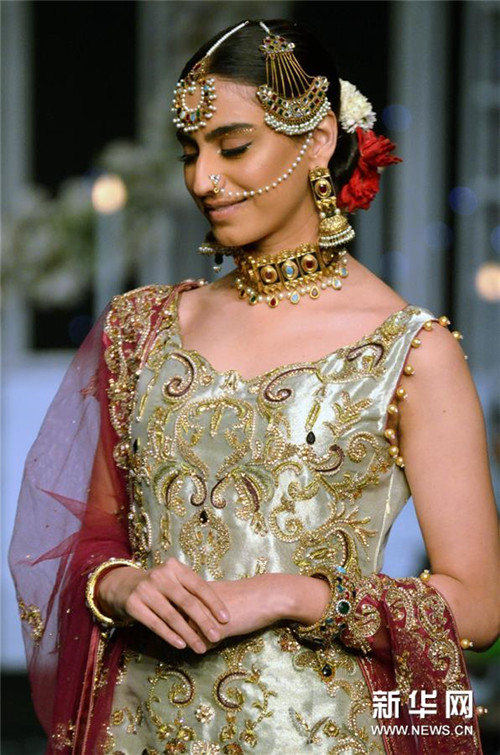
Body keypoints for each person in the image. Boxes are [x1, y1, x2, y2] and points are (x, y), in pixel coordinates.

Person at [10, 18, 499, 755]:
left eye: (233, 147)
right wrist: (120, 585)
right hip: (139, 729)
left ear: (320, 139)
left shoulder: (411, 351)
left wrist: (290, 594)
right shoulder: (140, 329)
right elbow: (92, 535)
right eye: (191, 152)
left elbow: (478, 605)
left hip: (320, 732)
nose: (202, 179)